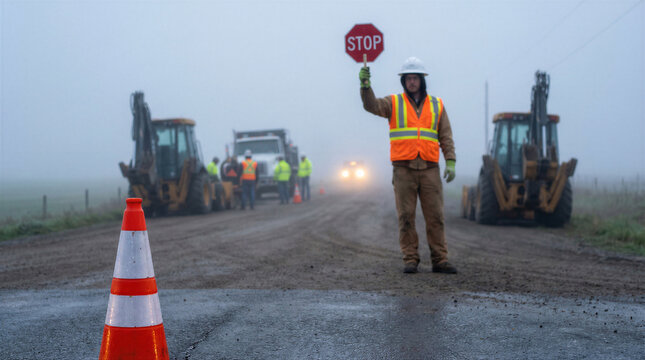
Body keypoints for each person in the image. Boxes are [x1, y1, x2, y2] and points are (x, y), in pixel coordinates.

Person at [359, 56, 457, 274]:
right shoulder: (394, 103)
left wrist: (450, 161)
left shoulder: (437, 105)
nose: (412, 82)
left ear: (422, 80)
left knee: (436, 217)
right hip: (403, 169)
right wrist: (366, 87)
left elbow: (446, 135)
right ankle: (410, 259)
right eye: (408, 78)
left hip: (430, 168)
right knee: (406, 217)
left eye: (415, 78)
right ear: (403, 81)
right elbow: (371, 106)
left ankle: (440, 260)